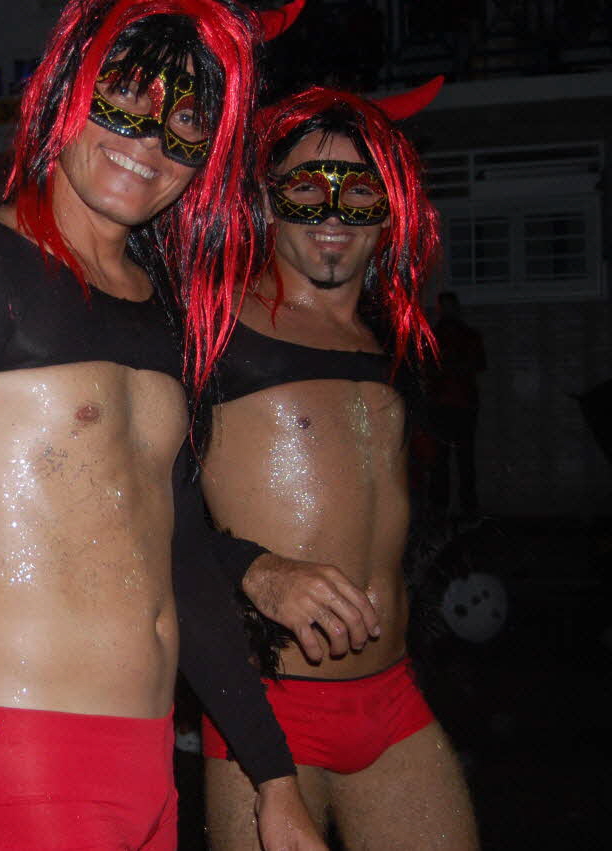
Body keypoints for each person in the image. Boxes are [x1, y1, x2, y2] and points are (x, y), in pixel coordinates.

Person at [0, 2, 378, 849]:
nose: (148, 143)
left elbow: (179, 563)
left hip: (146, 768)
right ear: (66, 91)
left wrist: (273, 778)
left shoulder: (159, 311)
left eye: (184, 123)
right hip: (11, 762)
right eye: (123, 100)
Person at [197, 81, 480, 848]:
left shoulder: (388, 341)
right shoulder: (214, 326)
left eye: (359, 192)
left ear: (392, 213)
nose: (330, 215)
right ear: (266, 198)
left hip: (392, 697)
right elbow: (134, 501)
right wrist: (254, 568)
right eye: (305, 189)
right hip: (266, 705)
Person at [428, 291, 486, 518]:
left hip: (456, 403)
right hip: (449, 403)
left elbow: (477, 364)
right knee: (447, 459)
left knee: (458, 459)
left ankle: (459, 507)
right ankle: (452, 507)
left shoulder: (458, 336)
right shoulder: (436, 337)